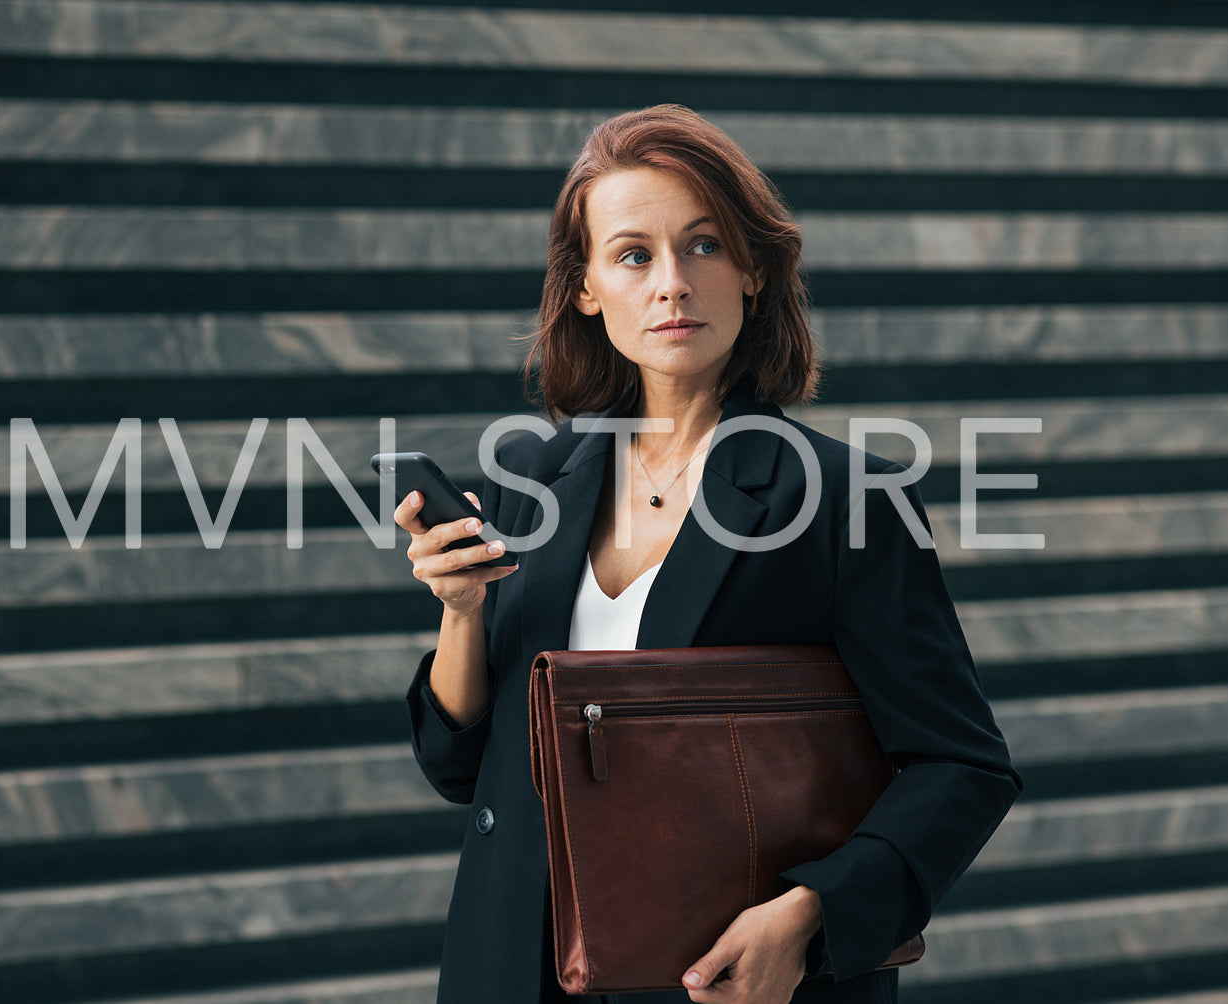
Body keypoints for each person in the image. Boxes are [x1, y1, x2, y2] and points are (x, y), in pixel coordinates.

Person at [395, 103, 1021, 1004]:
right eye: (633, 254)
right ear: (585, 288)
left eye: (704, 246)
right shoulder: (529, 481)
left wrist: (807, 915)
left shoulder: (845, 498)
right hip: (513, 966)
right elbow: (460, 769)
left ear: (754, 271)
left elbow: (962, 767)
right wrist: (460, 613)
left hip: (725, 980)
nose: (672, 284)